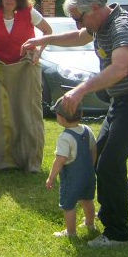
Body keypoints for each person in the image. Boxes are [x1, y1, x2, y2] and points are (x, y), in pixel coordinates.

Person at [21, 0, 128, 247]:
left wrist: (80, 90)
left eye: (79, 17)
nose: (78, 23)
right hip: (122, 102)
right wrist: (44, 40)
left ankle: (118, 233)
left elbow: (120, 69)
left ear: (95, 8)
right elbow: (79, 36)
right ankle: (110, 216)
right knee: (99, 159)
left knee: (110, 164)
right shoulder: (100, 25)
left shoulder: (121, 27)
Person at [0, 0, 52, 172]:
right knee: (1, 114)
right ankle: (3, 162)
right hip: (1, 68)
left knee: (27, 113)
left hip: (25, 67)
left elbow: (48, 31)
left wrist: (38, 51)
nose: (9, 0)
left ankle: (30, 162)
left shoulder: (29, 13)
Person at [46, 98, 97, 239]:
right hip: (88, 175)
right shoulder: (87, 130)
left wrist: (51, 177)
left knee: (69, 205)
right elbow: (93, 149)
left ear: (61, 118)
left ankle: (71, 232)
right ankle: (90, 223)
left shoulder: (65, 137)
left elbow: (60, 160)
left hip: (72, 179)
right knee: (87, 200)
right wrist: (90, 165)